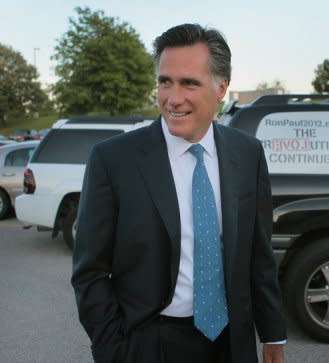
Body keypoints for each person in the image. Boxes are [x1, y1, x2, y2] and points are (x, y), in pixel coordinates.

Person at [71, 23, 287, 363]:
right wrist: (112, 348)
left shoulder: (247, 155)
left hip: (232, 343)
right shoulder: (113, 160)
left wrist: (273, 335)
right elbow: (89, 270)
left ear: (221, 88)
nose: (173, 98)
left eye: (189, 83)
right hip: (148, 344)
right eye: (164, 81)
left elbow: (258, 255)